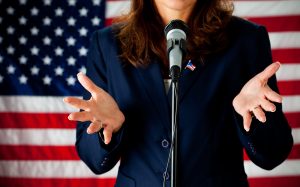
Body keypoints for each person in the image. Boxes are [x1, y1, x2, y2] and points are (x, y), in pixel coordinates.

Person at [63, 0, 293, 186]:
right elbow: (95, 160)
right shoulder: (107, 44)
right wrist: (109, 129)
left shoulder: (246, 40)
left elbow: (272, 154)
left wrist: (254, 120)